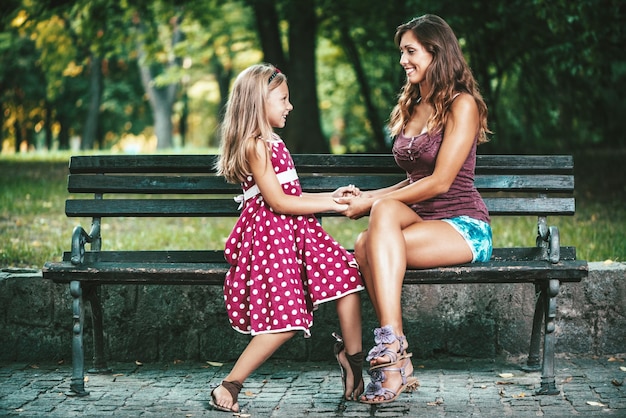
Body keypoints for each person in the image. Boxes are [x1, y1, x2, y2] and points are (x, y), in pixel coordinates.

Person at [335, 14, 493, 404]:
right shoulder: (414, 103)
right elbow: (412, 182)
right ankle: (396, 355)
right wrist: (369, 199)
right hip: (421, 217)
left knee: (369, 243)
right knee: (364, 238)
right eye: (401, 52)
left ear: (436, 53)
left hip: (461, 225)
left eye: (410, 51)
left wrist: (374, 201)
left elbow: (439, 182)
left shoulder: (463, 104)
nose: (403, 60)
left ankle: (392, 357)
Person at [211, 64, 365, 412]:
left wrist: (333, 198)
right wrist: (336, 206)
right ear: (257, 102)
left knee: (348, 276)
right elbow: (278, 202)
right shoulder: (255, 146)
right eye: (283, 98)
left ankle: (353, 361)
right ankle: (230, 385)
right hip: (270, 237)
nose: (289, 106)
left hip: (296, 230)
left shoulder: (274, 141)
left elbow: (291, 195)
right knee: (286, 320)